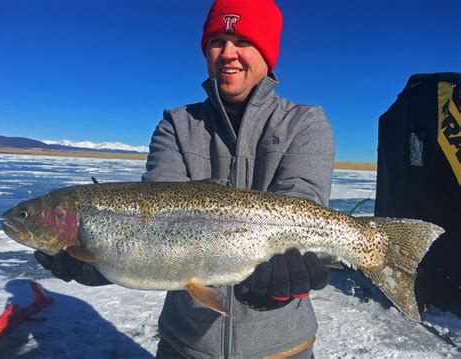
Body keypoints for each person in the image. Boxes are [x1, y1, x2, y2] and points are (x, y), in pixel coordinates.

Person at [35, 0, 335, 357]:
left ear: (268, 53)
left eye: (242, 41)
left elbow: (304, 202)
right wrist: (105, 260)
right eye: (216, 42)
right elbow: (155, 216)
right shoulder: (176, 125)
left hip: (284, 348)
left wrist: (284, 276)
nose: (227, 54)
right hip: (185, 346)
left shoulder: (306, 123)